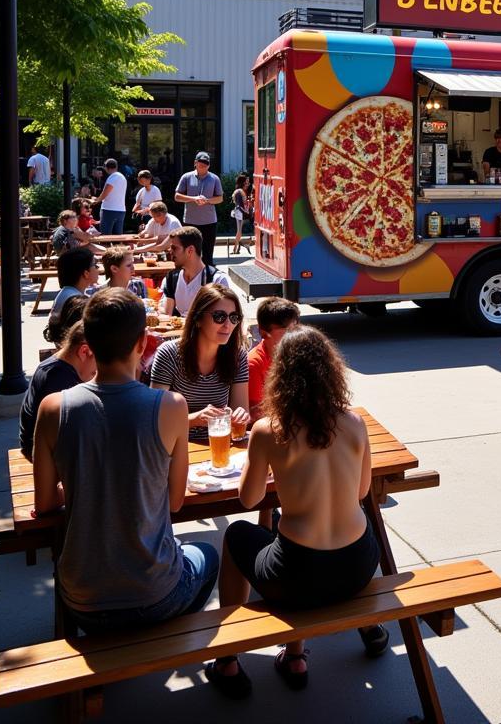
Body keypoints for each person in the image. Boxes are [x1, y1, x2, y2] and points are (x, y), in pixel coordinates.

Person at [206, 327, 385, 697]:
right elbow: (363, 491)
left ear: (281, 375)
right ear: (332, 372)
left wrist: (270, 469)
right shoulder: (354, 423)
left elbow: (250, 500)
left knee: (238, 535)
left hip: (298, 577)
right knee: (305, 534)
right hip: (358, 566)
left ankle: (227, 659)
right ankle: (296, 655)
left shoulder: (269, 431)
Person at [32, 289, 218, 634]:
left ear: (88, 340)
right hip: (155, 594)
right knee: (208, 555)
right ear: (143, 343)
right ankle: (165, 638)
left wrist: (78, 482)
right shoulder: (171, 406)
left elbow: (43, 503)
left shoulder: (53, 408)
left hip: (80, 600)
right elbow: (175, 501)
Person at [150, 282, 249, 442]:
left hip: (220, 444)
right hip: (177, 445)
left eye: (234, 317)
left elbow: (240, 409)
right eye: (219, 316)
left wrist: (240, 416)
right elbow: (154, 417)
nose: (228, 324)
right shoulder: (169, 354)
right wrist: (195, 419)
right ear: (198, 320)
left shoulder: (238, 356)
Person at [19, 320, 97, 460]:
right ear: (84, 351)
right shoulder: (58, 379)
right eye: (96, 368)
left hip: (39, 444)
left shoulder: (60, 365)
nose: (97, 373)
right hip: (40, 453)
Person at [247, 297, 301, 421]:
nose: (294, 335)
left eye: (295, 329)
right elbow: (256, 414)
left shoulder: (295, 355)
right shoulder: (254, 364)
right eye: (286, 331)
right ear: (264, 333)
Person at [159, 226, 230, 316]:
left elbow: (223, 317)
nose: (170, 252)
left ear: (190, 250)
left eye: (174, 248)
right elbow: (166, 314)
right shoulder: (171, 278)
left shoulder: (216, 280)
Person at [175, 151, 223, 267]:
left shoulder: (214, 178)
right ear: (195, 163)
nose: (203, 167)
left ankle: (208, 278)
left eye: (206, 165)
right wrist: (193, 199)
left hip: (209, 221)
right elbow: (177, 196)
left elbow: (220, 198)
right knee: (189, 252)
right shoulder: (186, 177)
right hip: (190, 222)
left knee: (207, 254)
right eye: (201, 164)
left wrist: (207, 200)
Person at [50, 247, 99, 319]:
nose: (98, 268)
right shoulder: (76, 303)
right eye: (95, 265)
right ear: (86, 273)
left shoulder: (69, 291)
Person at [94, 158, 129, 237]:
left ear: (106, 167)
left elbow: (105, 193)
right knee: (118, 237)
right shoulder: (122, 177)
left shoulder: (112, 177)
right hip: (121, 210)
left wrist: (96, 201)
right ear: (116, 166)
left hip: (109, 209)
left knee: (105, 236)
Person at [231, 173, 251, 254]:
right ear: (243, 182)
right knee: (239, 231)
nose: (247, 184)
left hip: (239, 212)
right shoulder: (240, 192)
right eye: (246, 182)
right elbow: (240, 204)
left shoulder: (240, 191)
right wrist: (246, 212)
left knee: (239, 231)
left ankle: (236, 248)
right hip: (240, 212)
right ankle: (237, 247)